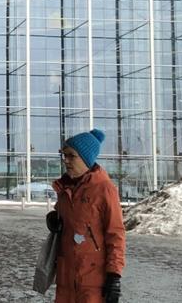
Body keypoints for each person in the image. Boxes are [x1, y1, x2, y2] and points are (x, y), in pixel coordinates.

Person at [46, 129, 125, 303]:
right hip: (66, 278)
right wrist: (54, 219)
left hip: (92, 281)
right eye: (64, 155)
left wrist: (114, 275)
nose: (65, 161)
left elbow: (116, 233)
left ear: (86, 158)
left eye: (71, 156)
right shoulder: (65, 188)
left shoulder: (104, 189)